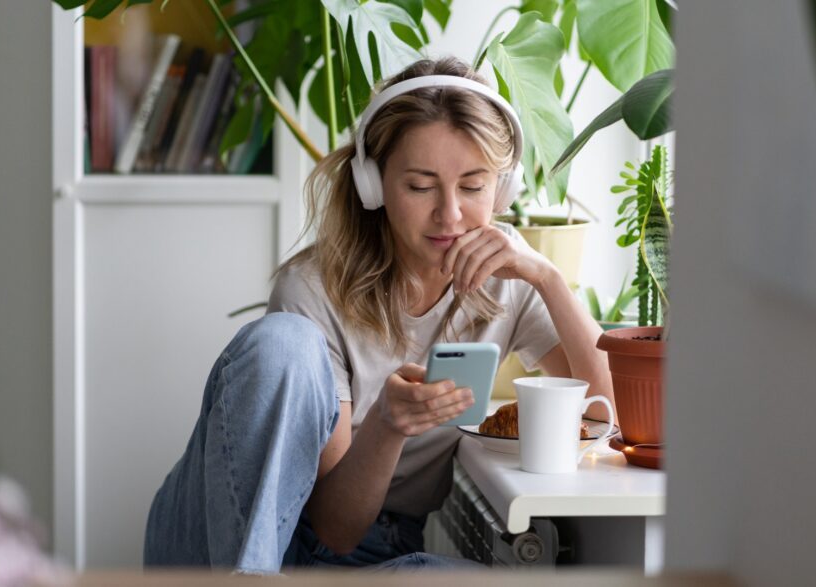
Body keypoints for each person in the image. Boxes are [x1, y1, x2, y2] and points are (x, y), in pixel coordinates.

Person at [143, 56, 613, 574]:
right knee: (282, 342)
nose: (450, 215)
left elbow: (606, 412)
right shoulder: (312, 289)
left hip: (367, 551)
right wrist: (388, 426)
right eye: (419, 186)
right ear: (373, 185)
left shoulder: (508, 274)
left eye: (474, 186)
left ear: (503, 190)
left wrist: (546, 277)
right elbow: (334, 527)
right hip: (225, 537)